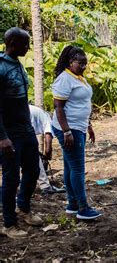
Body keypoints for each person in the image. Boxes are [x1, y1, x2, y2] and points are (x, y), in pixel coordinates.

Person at [0, 27, 43, 239]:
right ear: (13, 44)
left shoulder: (18, 65)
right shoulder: (0, 68)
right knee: (10, 178)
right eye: (25, 44)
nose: (28, 47)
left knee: (33, 170)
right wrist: (3, 137)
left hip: (26, 130)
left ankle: (23, 208)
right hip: (9, 134)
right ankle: (9, 224)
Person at [52, 45, 100, 220]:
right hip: (69, 128)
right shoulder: (65, 79)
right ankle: (83, 207)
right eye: (81, 63)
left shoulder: (78, 78)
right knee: (78, 169)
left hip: (78, 126)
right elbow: (58, 107)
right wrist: (66, 132)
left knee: (69, 167)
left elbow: (82, 104)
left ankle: (72, 205)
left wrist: (88, 125)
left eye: (86, 63)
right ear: (71, 62)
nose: (84, 66)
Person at [29, 105, 65, 195]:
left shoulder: (36, 112)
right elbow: (48, 135)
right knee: (34, 158)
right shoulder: (47, 117)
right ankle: (45, 186)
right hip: (16, 132)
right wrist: (47, 154)